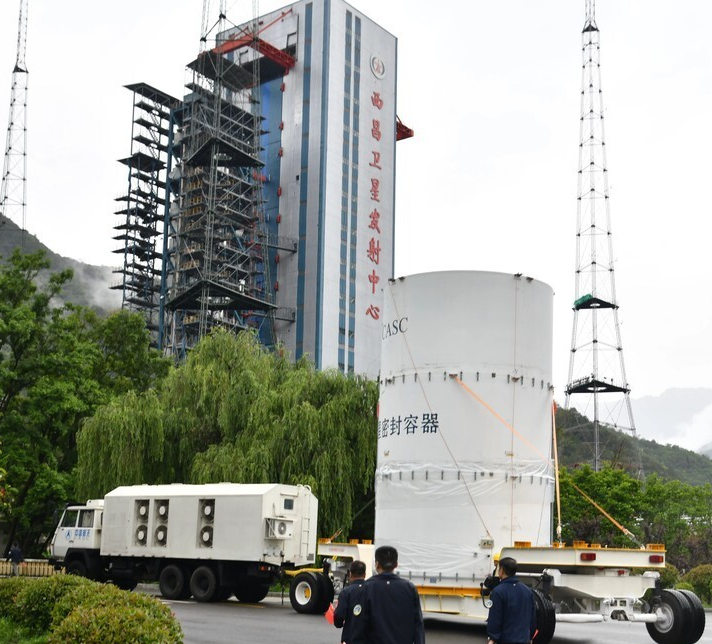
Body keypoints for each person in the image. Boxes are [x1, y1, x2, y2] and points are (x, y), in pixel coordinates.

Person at [350, 545, 425, 644]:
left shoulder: (365, 588)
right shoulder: (409, 588)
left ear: (377, 564)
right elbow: (418, 624)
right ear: (396, 564)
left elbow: (359, 625)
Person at [486, 556, 536, 644]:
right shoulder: (528, 591)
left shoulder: (498, 591)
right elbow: (532, 617)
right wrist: (530, 636)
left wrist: (493, 638)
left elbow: (495, 618)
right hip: (524, 639)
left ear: (502, 570)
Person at [334, 560, 367, 644]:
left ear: (350, 574)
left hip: (350, 637)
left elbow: (340, 615)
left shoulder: (346, 592)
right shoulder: (372, 590)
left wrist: (338, 622)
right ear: (365, 574)